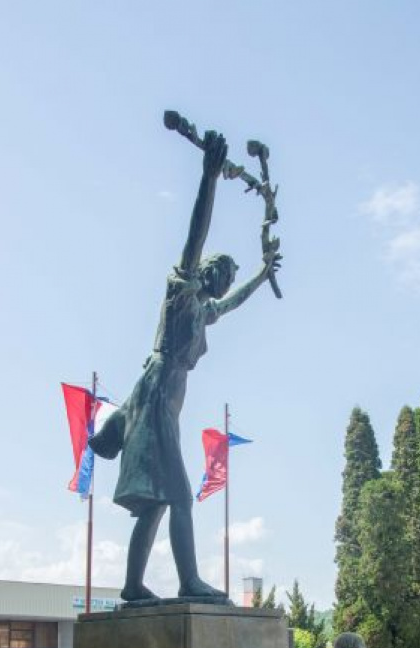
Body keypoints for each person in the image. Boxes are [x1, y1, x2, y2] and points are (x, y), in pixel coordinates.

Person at [89, 130, 280, 602]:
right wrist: (208, 179)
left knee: (155, 505)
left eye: (228, 276)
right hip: (156, 399)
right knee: (177, 496)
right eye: (222, 271)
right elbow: (195, 234)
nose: (224, 280)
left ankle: (133, 585)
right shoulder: (182, 294)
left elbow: (232, 304)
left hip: (164, 403)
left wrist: (262, 273)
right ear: (206, 270)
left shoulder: (202, 310)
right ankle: (189, 581)